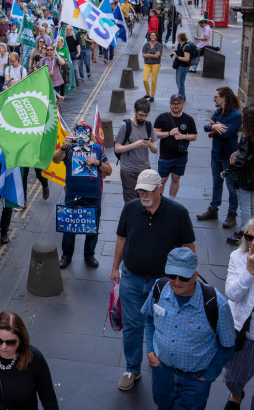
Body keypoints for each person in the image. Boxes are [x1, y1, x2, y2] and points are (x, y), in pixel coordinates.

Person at [111, 169, 196, 391]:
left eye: (148, 190)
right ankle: (132, 368)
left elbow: (189, 249)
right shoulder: (130, 208)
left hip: (163, 283)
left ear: (160, 188)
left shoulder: (178, 213)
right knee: (131, 326)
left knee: (163, 326)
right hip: (131, 279)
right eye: (140, 190)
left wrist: (190, 279)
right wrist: (114, 267)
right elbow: (121, 238)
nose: (143, 195)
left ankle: (161, 366)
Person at [143, 247, 235, 409]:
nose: (177, 282)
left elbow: (228, 345)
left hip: (195, 382)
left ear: (195, 275)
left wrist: (209, 375)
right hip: (162, 374)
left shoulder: (216, 304)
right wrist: (151, 351)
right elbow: (149, 318)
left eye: (184, 277)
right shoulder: (159, 288)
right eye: (172, 275)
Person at [52, 121, 112, 268]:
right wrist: (63, 147)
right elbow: (55, 159)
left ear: (90, 134)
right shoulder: (70, 148)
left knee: (92, 228)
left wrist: (98, 163)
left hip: (93, 196)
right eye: (78, 132)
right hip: (73, 195)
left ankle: (89, 255)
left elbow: (109, 171)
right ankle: (66, 256)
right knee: (69, 228)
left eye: (84, 132)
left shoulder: (97, 149)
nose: (81, 134)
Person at [222, 218, 254, 410]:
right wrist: (249, 271)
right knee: (233, 378)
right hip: (244, 328)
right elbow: (232, 294)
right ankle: (236, 394)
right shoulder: (237, 257)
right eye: (249, 237)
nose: (253, 243)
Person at [198, 86, 242, 229]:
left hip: (229, 156)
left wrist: (214, 126)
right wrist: (215, 127)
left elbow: (226, 133)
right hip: (216, 153)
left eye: (216, 96)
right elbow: (205, 127)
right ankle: (213, 209)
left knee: (231, 187)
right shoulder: (218, 112)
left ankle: (232, 213)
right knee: (216, 183)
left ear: (224, 98)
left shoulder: (236, 115)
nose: (213, 99)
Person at [114, 98, 158, 203]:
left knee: (145, 200)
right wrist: (134, 145)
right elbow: (117, 148)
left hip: (145, 169)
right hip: (128, 170)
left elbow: (155, 150)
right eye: (141, 115)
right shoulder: (125, 126)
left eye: (146, 115)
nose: (143, 118)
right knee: (131, 201)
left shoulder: (148, 125)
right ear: (134, 111)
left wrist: (150, 144)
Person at [154, 94, 198, 199]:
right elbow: (155, 133)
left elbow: (194, 136)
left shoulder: (188, 119)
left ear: (182, 104)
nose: (176, 106)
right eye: (173, 103)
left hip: (181, 156)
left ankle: (171, 201)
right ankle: (159, 202)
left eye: (178, 103)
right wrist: (170, 133)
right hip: (165, 156)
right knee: (162, 180)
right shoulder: (162, 117)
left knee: (176, 178)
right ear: (170, 104)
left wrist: (182, 136)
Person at [224, 106, 254, 246]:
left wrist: (227, 170)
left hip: (245, 177)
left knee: (245, 207)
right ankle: (253, 231)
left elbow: (241, 161)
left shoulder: (247, 136)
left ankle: (245, 234)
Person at [141, 31, 162, 102]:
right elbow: (144, 55)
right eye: (151, 35)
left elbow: (157, 56)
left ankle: (152, 95)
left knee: (153, 80)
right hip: (147, 64)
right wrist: (152, 55)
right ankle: (147, 93)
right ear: (149, 37)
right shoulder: (146, 45)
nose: (152, 37)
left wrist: (148, 54)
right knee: (145, 79)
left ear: (156, 37)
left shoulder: (158, 45)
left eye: (154, 35)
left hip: (156, 64)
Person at [171, 33, 193, 98]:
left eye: (178, 38)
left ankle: (180, 97)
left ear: (180, 38)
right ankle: (183, 96)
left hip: (184, 66)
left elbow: (186, 59)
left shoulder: (186, 46)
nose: (177, 39)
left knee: (180, 82)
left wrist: (176, 56)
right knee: (178, 81)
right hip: (179, 65)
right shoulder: (180, 45)